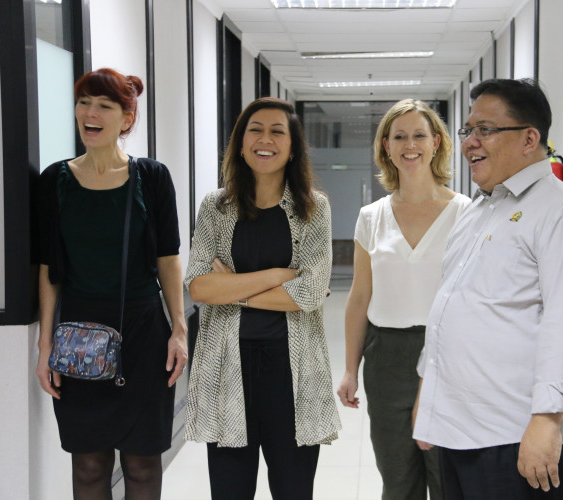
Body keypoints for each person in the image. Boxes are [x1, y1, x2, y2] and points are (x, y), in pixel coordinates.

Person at [412, 79, 563, 500]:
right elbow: (450, 306)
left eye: (485, 129)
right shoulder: (479, 210)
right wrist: (429, 398)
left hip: (516, 435)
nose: (470, 142)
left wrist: (547, 420)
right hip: (458, 429)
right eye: (468, 130)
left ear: (529, 139)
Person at [35, 68, 188, 500]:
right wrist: (45, 345)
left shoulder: (151, 177)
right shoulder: (55, 180)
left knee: (141, 463)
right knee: (87, 464)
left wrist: (179, 328)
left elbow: (168, 258)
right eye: (84, 102)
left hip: (143, 335)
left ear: (126, 118)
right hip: (77, 337)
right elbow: (48, 267)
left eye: (104, 105)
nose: (90, 113)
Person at [183, 97, 341, 500]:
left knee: (293, 490)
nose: (265, 139)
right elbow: (199, 286)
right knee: (229, 491)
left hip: (293, 372)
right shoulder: (215, 206)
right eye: (255, 130)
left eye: (276, 131)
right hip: (226, 368)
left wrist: (232, 289)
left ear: (293, 147)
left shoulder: (313, 208)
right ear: (240, 144)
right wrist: (275, 276)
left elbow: (309, 292)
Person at [336, 99, 470, 499]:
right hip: (387, 359)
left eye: (419, 135)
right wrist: (350, 370)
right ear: (387, 147)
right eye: (399, 137)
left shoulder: (465, 213)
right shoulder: (371, 216)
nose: (410, 145)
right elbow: (359, 297)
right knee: (397, 480)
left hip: (447, 355)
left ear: (436, 143)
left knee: (448, 478)